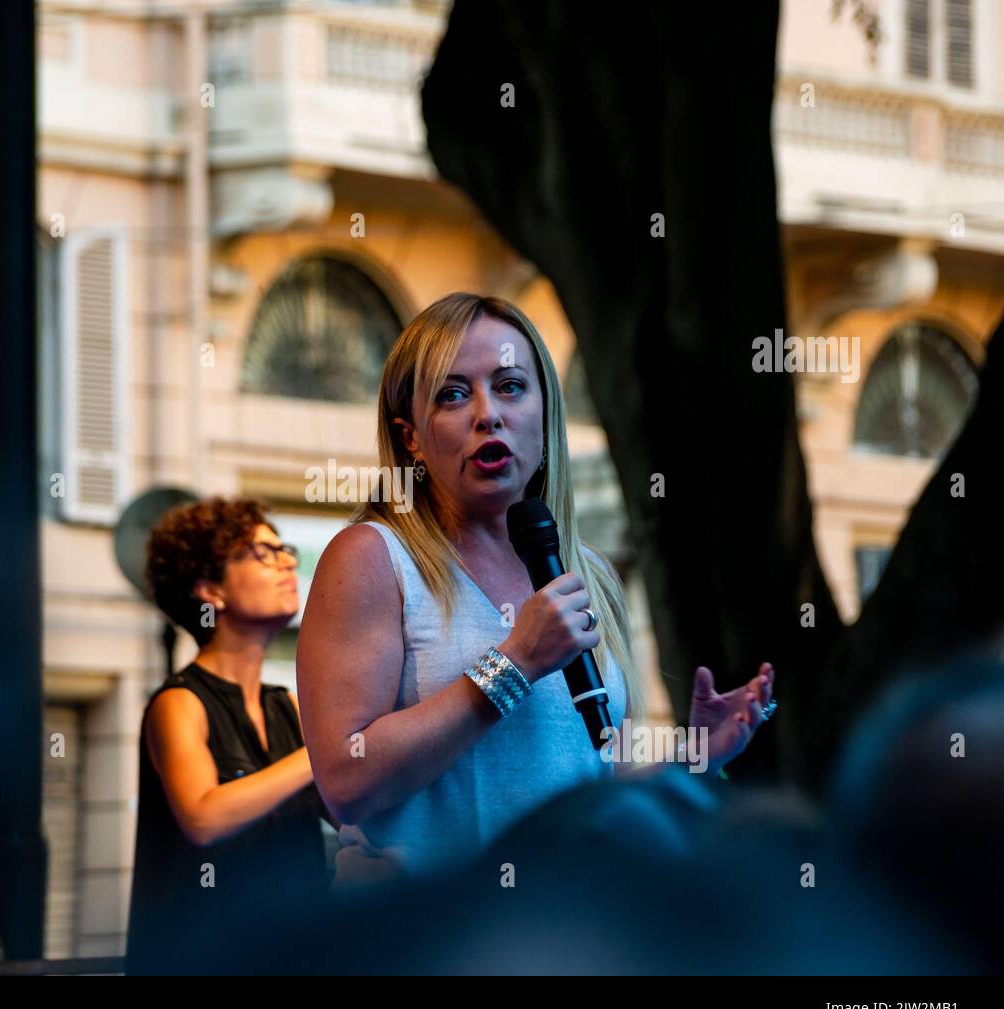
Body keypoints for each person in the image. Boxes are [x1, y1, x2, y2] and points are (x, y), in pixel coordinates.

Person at [296, 292, 776, 887]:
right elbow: (346, 782)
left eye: (511, 386)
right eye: (452, 394)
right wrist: (515, 663)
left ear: (546, 418)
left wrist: (695, 759)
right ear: (411, 437)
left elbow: (598, 784)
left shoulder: (587, 574)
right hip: (421, 942)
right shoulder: (372, 558)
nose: (487, 414)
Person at [126, 497, 330, 973]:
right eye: (262, 553)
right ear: (210, 588)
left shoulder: (289, 706)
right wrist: (319, 754)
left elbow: (349, 811)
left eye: (284, 550)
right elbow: (203, 817)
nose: (285, 562)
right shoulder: (179, 703)